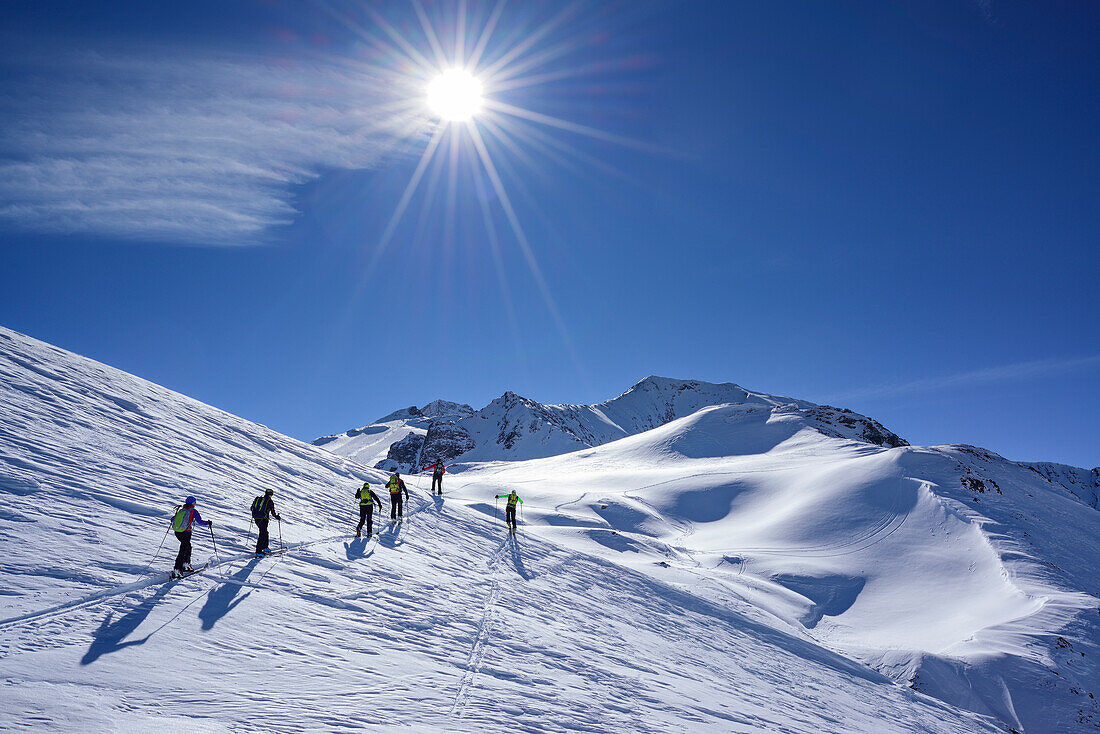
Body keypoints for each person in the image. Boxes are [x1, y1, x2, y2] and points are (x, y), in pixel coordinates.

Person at [171, 496, 212, 577]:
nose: (195, 503)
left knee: (188, 547)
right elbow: (199, 521)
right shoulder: (193, 511)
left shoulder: (181, 510)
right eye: (195, 502)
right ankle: (177, 570)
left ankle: (186, 565)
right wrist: (208, 523)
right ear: (192, 502)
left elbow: (172, 519)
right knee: (183, 550)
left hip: (178, 532)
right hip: (186, 533)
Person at [250, 488, 282, 557]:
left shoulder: (259, 499)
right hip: (263, 520)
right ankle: (258, 551)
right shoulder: (269, 501)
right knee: (263, 534)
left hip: (256, 519)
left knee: (265, 532)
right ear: (271, 495)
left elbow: (251, 508)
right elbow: (273, 512)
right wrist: (277, 517)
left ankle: (265, 547)